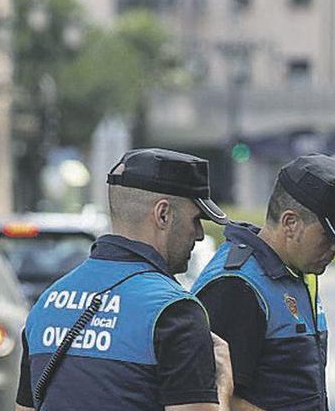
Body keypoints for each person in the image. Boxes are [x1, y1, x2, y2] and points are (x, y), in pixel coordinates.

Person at [15, 148, 233, 411]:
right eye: (196, 220)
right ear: (163, 215)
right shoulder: (175, 311)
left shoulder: (47, 303)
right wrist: (223, 385)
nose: (199, 235)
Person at [193, 154, 335, 411]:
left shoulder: (294, 271)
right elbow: (215, 397)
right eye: (327, 236)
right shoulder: (236, 285)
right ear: (290, 223)